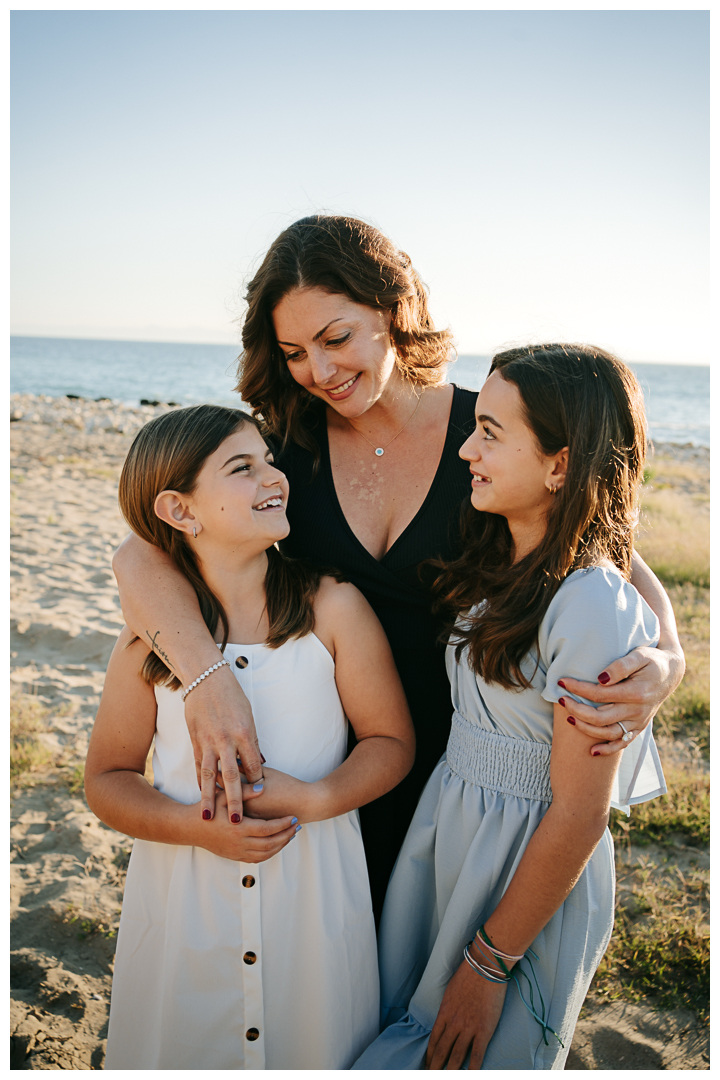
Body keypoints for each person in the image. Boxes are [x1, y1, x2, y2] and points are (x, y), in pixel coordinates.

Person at [112, 215, 684, 917]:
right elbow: (139, 555)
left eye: (336, 338)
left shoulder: (492, 435)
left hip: (469, 776)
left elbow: (604, 549)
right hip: (330, 771)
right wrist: (208, 684)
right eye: (293, 351)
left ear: (395, 310)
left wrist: (669, 656)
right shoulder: (284, 453)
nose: (318, 372)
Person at [352, 344, 668, 1071]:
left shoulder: (589, 603)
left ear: (561, 464)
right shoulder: (502, 555)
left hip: (521, 868)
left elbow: (581, 811)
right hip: (450, 841)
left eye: (491, 432)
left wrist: (490, 964)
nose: (465, 449)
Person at [85, 405, 414, 1070]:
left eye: (268, 459)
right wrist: (193, 827)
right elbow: (107, 780)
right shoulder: (151, 643)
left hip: (312, 904)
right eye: (243, 467)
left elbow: (391, 742)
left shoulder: (332, 606)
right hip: (187, 903)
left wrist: (320, 798)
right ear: (181, 511)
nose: (275, 476)